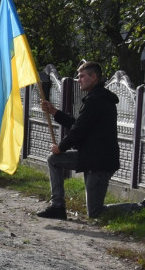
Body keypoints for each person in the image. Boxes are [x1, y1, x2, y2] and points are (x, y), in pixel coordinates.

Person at [38, 62, 138, 220]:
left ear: (94, 77)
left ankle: (139, 208)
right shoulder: (94, 98)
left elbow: (78, 131)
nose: (79, 80)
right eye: (78, 76)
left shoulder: (97, 100)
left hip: (100, 162)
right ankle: (57, 207)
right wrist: (54, 112)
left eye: (82, 76)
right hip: (89, 157)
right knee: (54, 160)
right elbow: (78, 124)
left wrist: (61, 148)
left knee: (96, 213)